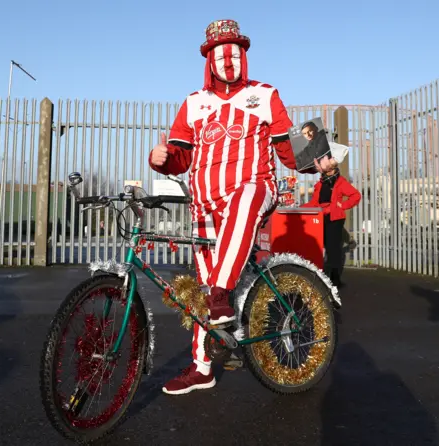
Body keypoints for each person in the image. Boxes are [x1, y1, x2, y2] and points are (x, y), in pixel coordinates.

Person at [148, 19, 335, 395]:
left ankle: (223, 295)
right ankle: (202, 367)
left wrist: (315, 162)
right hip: (203, 204)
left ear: (244, 55)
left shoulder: (265, 96)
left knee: (245, 199)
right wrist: (163, 160)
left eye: (235, 50)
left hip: (253, 189)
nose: (228, 58)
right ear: (209, 59)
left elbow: (286, 151)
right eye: (220, 51)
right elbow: (181, 158)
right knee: (201, 287)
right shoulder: (193, 104)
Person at [301, 159, 361, 290]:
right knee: (319, 246)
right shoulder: (320, 184)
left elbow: (356, 196)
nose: (329, 172)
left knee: (333, 248)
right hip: (321, 217)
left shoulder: (341, 182)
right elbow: (314, 203)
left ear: (335, 169)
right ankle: (323, 276)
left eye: (332, 169)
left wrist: (343, 205)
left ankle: (335, 280)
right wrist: (299, 208)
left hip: (335, 218)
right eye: (328, 169)